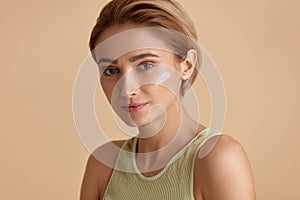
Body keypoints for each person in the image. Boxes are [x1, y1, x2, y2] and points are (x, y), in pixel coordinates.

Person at [80, 0, 256, 199]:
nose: (127, 88)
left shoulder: (218, 159)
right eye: (111, 70)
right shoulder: (103, 164)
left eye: (145, 65)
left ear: (187, 65)